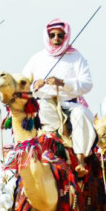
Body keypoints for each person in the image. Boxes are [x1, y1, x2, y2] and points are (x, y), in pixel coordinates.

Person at [21, 19, 95, 175]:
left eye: (60, 35)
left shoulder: (76, 57)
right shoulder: (36, 59)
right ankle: (52, 148)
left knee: (81, 115)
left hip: (70, 105)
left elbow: (87, 84)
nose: (56, 39)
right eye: (52, 35)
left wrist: (63, 82)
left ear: (65, 36)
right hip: (45, 103)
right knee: (43, 108)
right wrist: (35, 85)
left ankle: (80, 159)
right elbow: (22, 84)